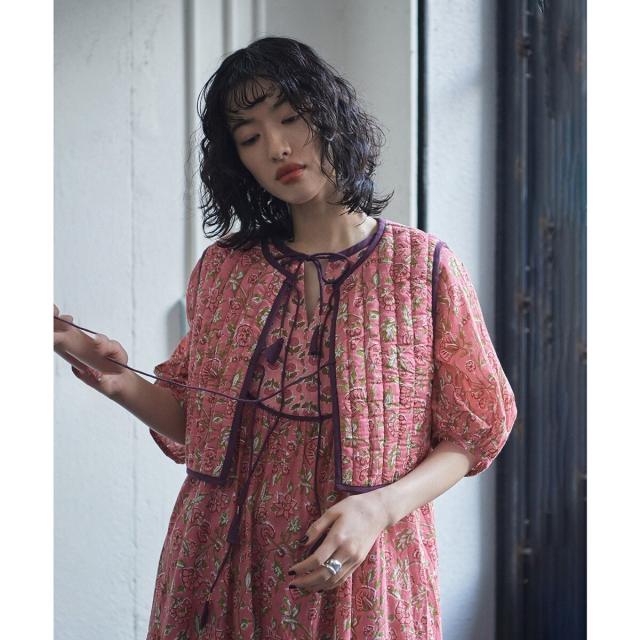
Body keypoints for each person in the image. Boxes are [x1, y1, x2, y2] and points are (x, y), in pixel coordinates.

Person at [54, 36, 517, 640]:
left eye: (290, 118)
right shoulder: (225, 269)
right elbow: (202, 427)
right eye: (249, 138)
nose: (276, 147)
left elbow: (473, 431)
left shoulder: (421, 267)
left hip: (365, 567)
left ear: (330, 115)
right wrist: (115, 378)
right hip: (219, 561)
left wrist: (379, 508)